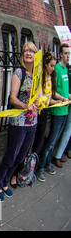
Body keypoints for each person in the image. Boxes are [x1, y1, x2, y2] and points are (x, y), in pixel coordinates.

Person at [0, 42, 38, 201]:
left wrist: (41, 101)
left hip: (33, 123)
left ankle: (6, 182)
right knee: (11, 155)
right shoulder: (19, 72)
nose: (28, 53)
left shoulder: (37, 75)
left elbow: (40, 96)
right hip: (19, 122)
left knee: (21, 157)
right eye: (25, 50)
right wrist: (26, 105)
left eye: (31, 51)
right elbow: (12, 98)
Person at [36, 44, 70, 182]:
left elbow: (60, 90)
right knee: (50, 141)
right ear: (61, 54)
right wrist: (61, 100)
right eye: (66, 53)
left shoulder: (64, 69)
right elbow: (52, 92)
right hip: (57, 110)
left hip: (64, 109)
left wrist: (66, 96)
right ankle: (41, 167)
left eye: (69, 53)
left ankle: (47, 163)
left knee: (54, 140)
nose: (68, 56)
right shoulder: (55, 68)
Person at [31, 52, 62, 157]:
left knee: (39, 141)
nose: (53, 68)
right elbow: (40, 98)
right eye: (51, 66)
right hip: (36, 112)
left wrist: (59, 100)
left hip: (45, 112)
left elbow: (49, 97)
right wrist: (53, 102)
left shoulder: (50, 77)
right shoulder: (40, 77)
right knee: (32, 141)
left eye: (54, 66)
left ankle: (33, 167)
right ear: (45, 64)